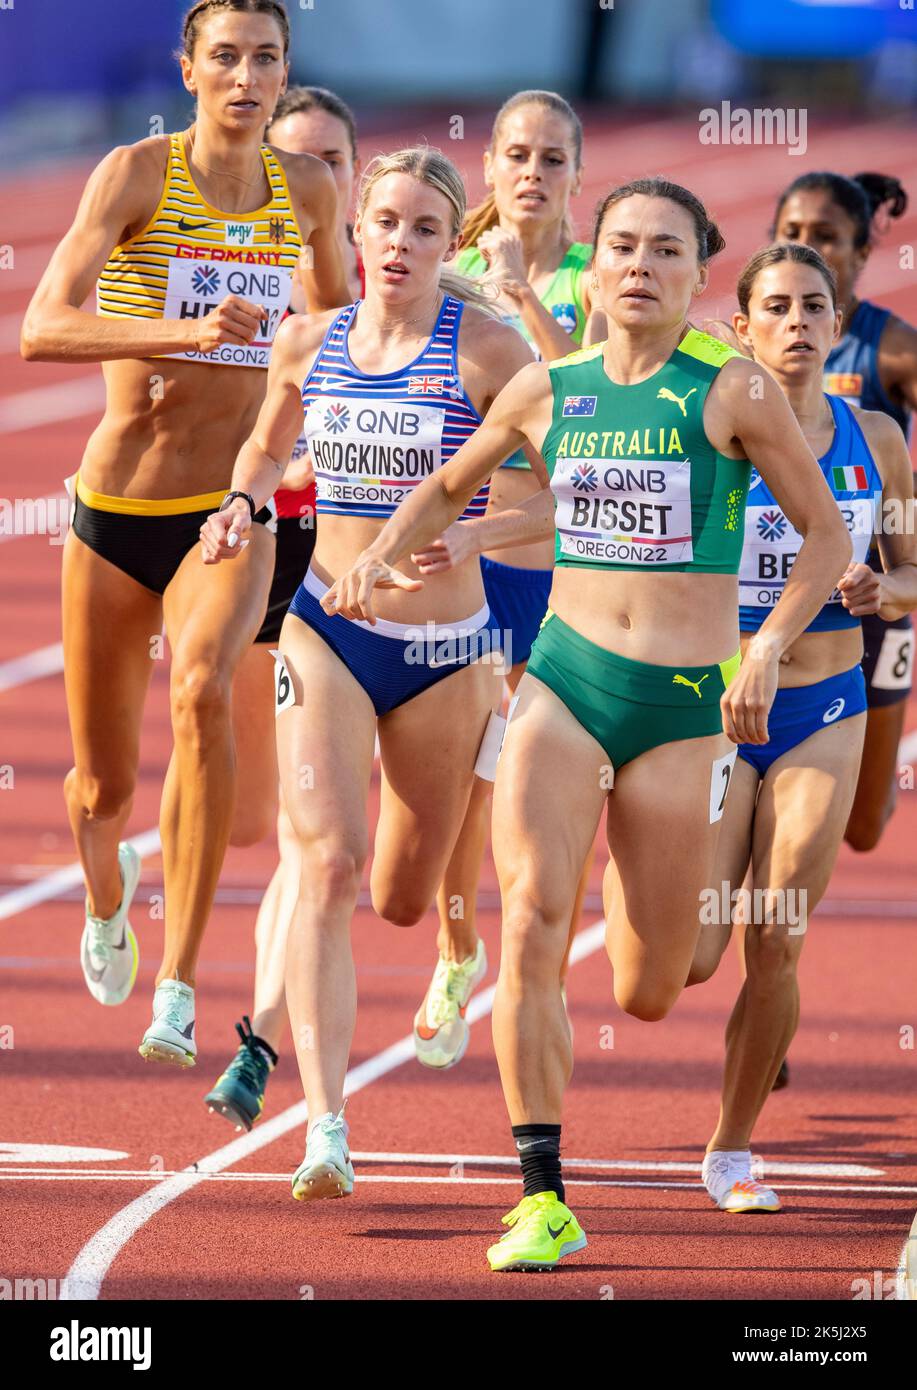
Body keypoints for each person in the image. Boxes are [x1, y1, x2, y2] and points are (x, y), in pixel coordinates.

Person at [321, 177, 851, 1271]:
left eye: (666, 249)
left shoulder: (733, 389)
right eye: (621, 247)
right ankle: (541, 1194)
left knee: (652, 988)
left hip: (681, 708)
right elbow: (446, 484)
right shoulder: (544, 386)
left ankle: (634, 872)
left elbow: (825, 542)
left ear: (699, 275)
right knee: (530, 924)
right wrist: (379, 555)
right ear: (594, 267)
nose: (640, 266)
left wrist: (761, 645)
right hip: (563, 681)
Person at [199, 146, 545, 1200]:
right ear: (355, 231)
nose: (398, 244)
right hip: (326, 632)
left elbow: (559, 501)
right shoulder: (308, 341)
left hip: (446, 655)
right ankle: (324, 1126)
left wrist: (474, 540)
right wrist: (240, 506)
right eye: (382, 224)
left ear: (451, 244)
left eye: (423, 229)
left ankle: (450, 941)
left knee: (400, 893)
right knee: (329, 861)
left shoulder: (489, 351)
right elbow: (264, 451)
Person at [19, 0, 349, 1066]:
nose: (246, 77)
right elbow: (41, 328)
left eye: (265, 59)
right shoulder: (133, 174)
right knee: (100, 787)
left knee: (206, 694)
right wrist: (189, 332)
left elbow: (347, 332)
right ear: (189, 68)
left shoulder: (304, 190)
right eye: (225, 58)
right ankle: (107, 894)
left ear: (284, 72)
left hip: (228, 510)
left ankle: (178, 982)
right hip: (118, 512)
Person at [687, 242, 917, 1212]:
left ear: (836, 324)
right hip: (709, 704)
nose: (792, 322)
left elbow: (912, 572)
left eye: (809, 307)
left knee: (774, 934)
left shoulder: (876, 438)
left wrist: (882, 585)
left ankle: (730, 1150)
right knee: (684, 957)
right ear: (740, 328)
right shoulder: (707, 427)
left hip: (825, 705)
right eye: (771, 306)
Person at [411, 89, 595, 1069]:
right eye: (516, 154)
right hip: (472, 562)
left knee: (540, 785)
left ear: (575, 171)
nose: (531, 172)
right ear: (486, 164)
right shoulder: (450, 268)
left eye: (551, 158)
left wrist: (527, 295)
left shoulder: (599, 273)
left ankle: (532, 966)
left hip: (567, 572)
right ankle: (457, 945)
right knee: (467, 778)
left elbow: (600, 403)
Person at [205, 85, 364, 1130]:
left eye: (330, 162)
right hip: (284, 553)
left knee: (399, 869)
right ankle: (264, 1038)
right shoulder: (246, 286)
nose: (311, 178)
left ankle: (458, 951)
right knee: (303, 838)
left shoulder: (417, 288)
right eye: (291, 159)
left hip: (429, 590)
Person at [773, 171, 917, 853]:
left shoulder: (891, 350)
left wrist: (899, 500)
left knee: (861, 829)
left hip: (871, 609)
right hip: (768, 602)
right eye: (792, 234)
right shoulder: (746, 352)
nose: (807, 247)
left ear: (860, 256)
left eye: (825, 238)